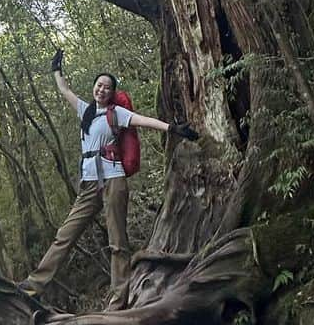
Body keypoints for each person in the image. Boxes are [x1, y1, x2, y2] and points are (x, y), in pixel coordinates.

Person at [18, 49, 198, 300]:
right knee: (65, 235)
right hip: (89, 184)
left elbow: (144, 120)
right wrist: (56, 70)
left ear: (112, 93)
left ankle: (118, 300)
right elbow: (64, 91)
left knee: (117, 243)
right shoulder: (85, 111)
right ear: (93, 88)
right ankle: (32, 286)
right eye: (99, 85)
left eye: (107, 87)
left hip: (114, 179)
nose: (102, 90)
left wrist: (174, 128)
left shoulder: (117, 113)